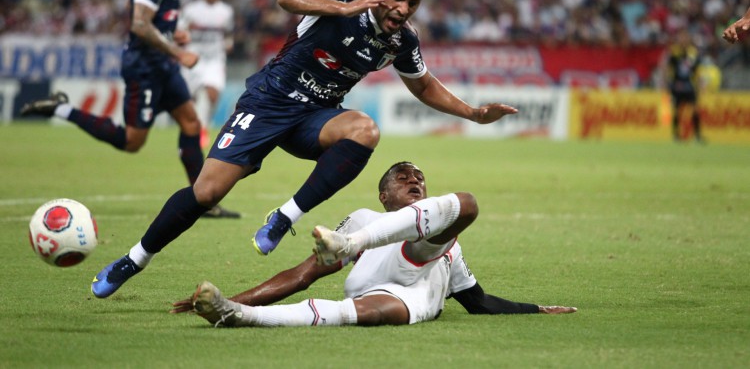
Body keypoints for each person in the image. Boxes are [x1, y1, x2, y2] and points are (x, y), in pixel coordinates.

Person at [90, 0, 518, 299]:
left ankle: (283, 216)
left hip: (315, 118)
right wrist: (344, 7)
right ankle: (133, 260)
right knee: (206, 192)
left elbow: (423, 86)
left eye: (414, 3)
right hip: (268, 102)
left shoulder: (400, 39)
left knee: (365, 129)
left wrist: (474, 113)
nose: (403, 10)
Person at [171, 161, 576, 327]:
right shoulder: (365, 215)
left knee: (463, 207)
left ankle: (237, 317)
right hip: (370, 278)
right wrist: (244, 294)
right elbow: (301, 275)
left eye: (419, 179)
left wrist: (536, 308)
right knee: (458, 210)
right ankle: (235, 308)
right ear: (384, 196)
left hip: (410, 294)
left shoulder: (445, 239)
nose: (415, 181)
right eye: (403, 178)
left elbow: (477, 302)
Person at [20, 0, 238, 219]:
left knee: (190, 123)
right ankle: (63, 109)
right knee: (132, 141)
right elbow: (138, 23)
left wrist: (171, 33)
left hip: (161, 64)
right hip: (145, 69)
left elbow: (145, 16)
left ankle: (203, 202)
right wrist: (178, 51)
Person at [178, 0, 235, 150]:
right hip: (195, 58)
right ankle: (195, 127)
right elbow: (180, 31)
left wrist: (228, 44)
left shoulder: (225, 11)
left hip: (215, 59)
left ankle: (203, 128)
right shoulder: (191, 10)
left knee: (212, 94)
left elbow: (228, 34)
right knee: (193, 98)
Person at [663, 29, 703, 142]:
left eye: (685, 37)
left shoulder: (693, 52)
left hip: (689, 85)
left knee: (695, 110)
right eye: (681, 37)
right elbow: (667, 68)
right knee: (676, 110)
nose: (683, 39)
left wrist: (699, 85)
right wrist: (666, 83)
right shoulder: (674, 52)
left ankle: (697, 136)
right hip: (677, 85)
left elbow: (697, 71)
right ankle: (676, 135)